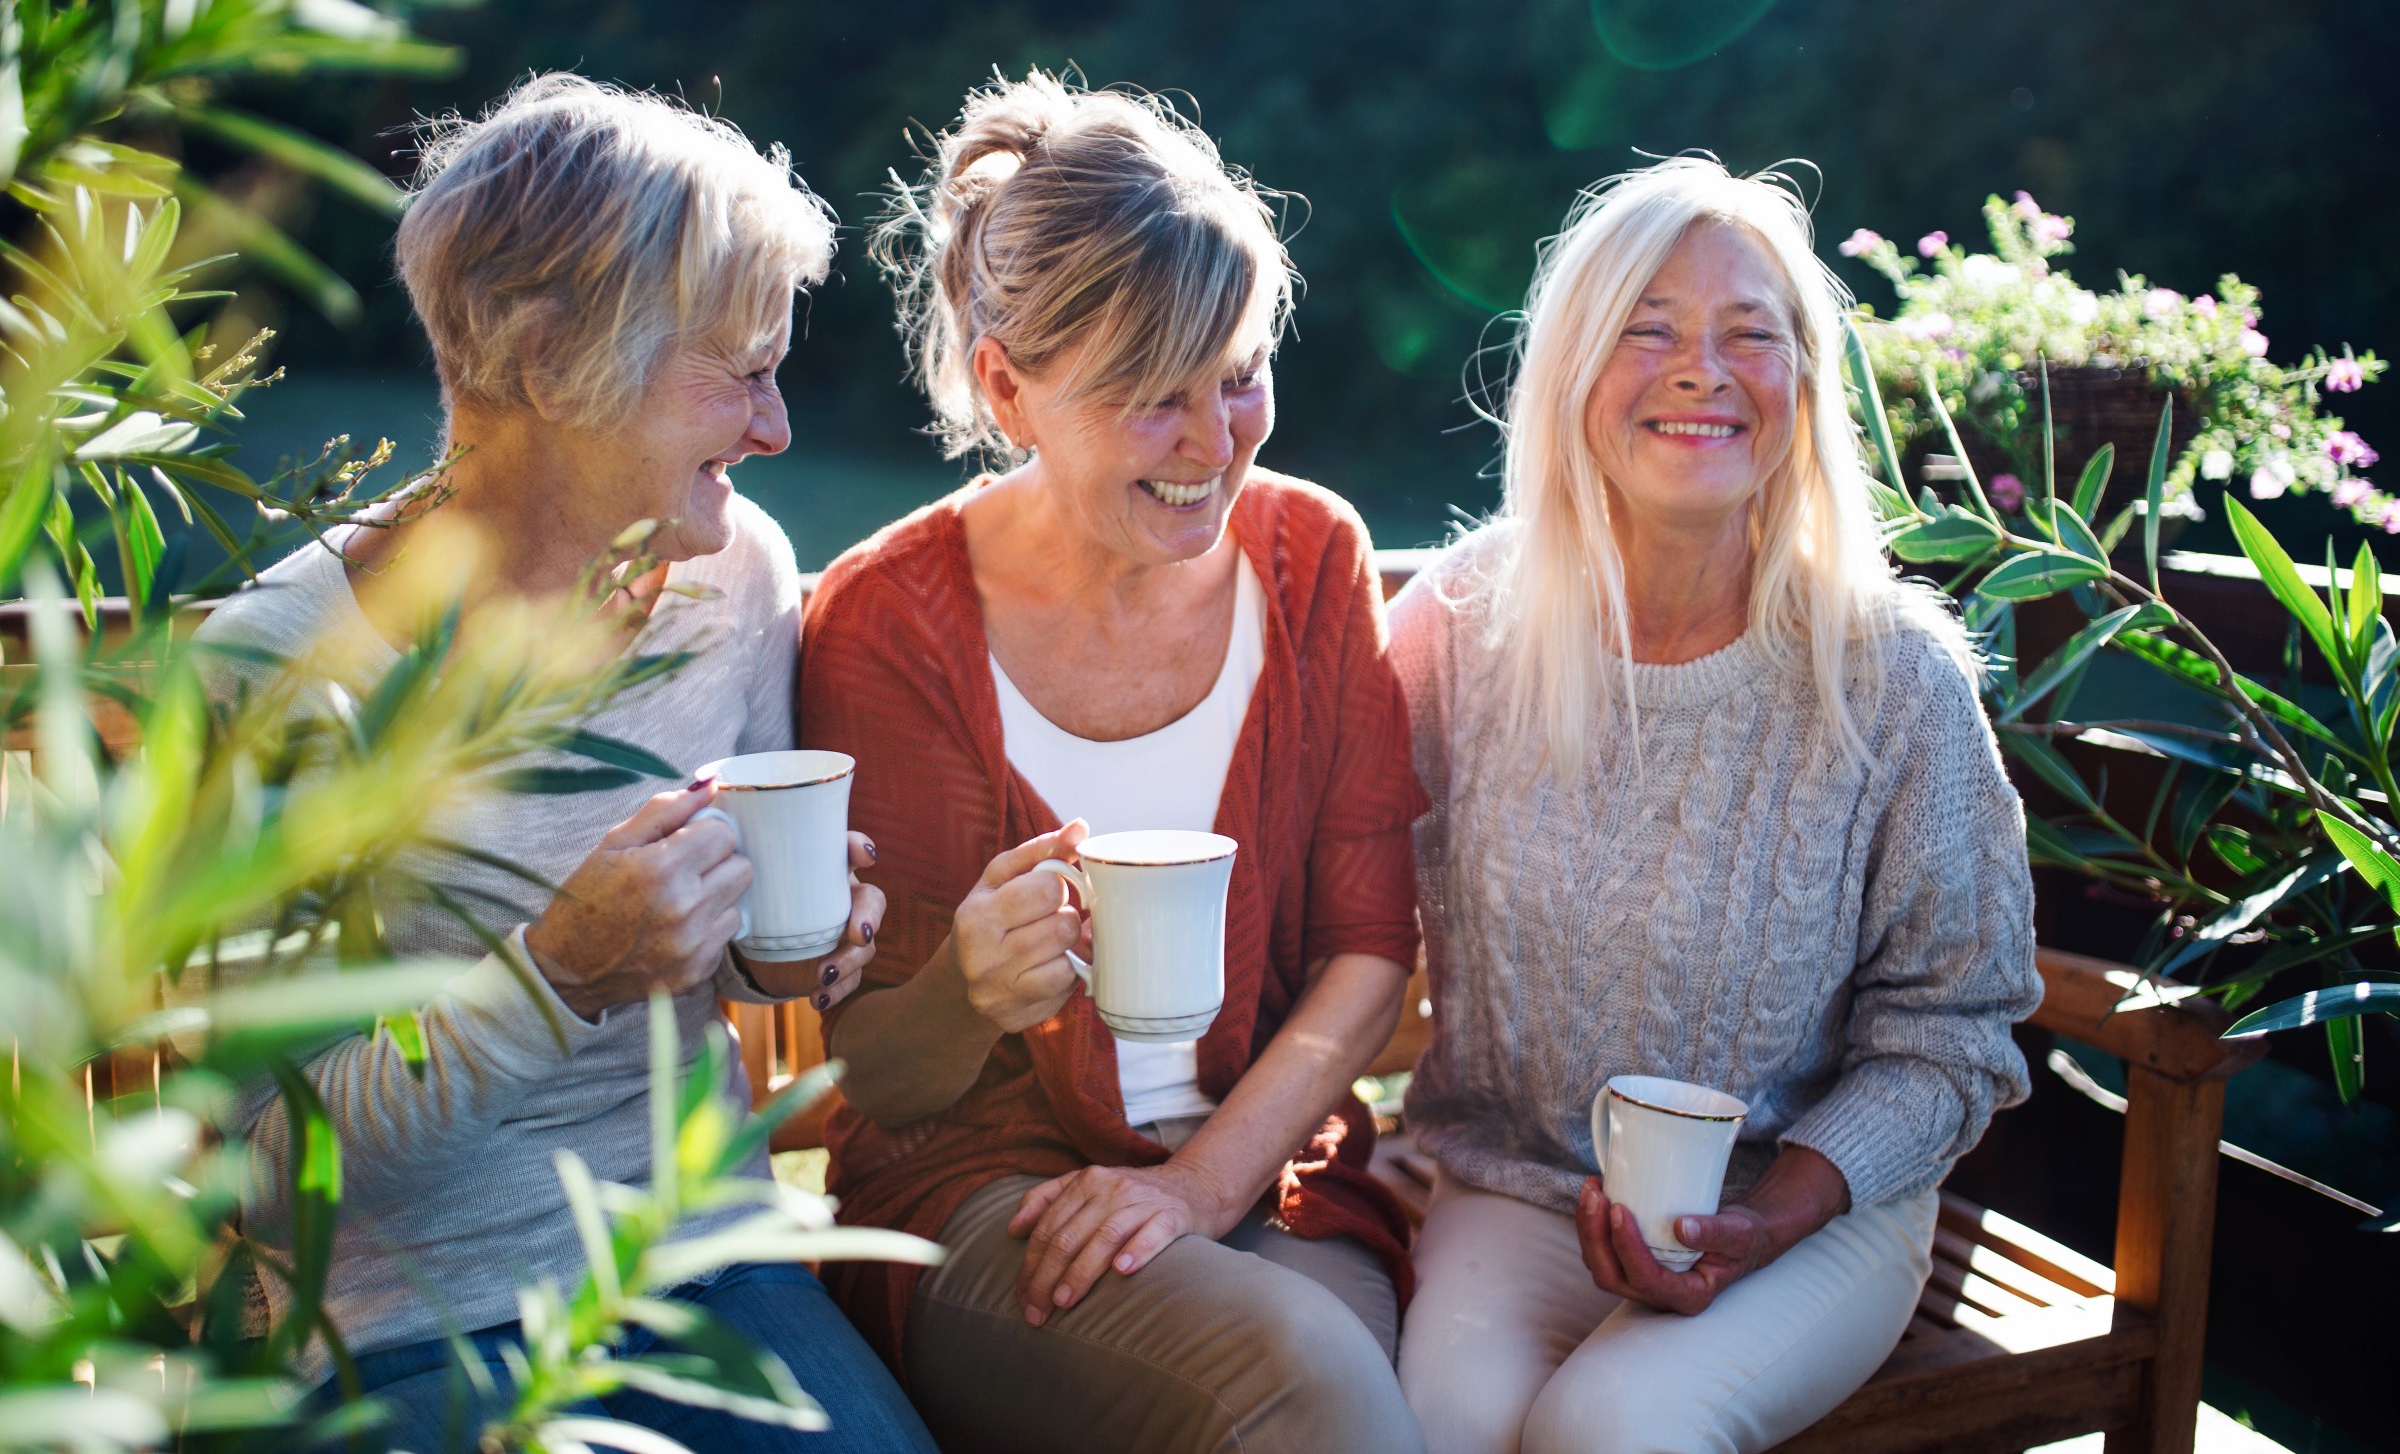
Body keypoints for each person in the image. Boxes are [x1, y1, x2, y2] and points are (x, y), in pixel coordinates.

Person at [198, 75, 935, 1453]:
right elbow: (273, 1180)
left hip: (698, 1258)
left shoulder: (736, 576)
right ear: (545, 363)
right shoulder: (279, 673)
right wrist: (555, 977)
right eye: (740, 370)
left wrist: (793, 943)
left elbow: (743, 976)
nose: (776, 429)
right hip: (399, 1325)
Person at [798, 71, 1429, 1454]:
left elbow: (1368, 955)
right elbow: (884, 1081)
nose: (1216, 445)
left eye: (1243, 374)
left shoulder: (1314, 557)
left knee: (1349, 1395)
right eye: (1156, 398)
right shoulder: (887, 622)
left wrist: (1200, 1186)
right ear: (1007, 386)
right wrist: (968, 986)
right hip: (978, 1202)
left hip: (1267, 1184)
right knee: (1311, 1394)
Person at [1388, 156, 2042, 1454]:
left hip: (1816, 1207)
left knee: (1612, 1430)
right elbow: (1326, 897)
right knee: (1430, 1430)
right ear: (1573, 368)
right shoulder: (1460, 625)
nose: (1703, 367)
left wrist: (1775, 1216)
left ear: (1804, 390)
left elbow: (1957, 1030)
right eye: (1650, 329)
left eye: (1752, 334)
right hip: (1514, 1182)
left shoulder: (1894, 681)